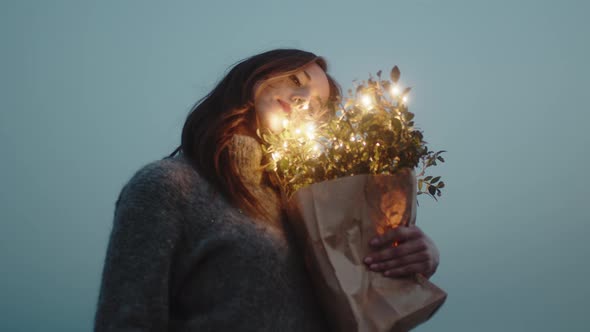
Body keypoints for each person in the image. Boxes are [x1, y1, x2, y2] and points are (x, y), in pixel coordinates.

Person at [93, 48, 440, 331]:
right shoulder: (167, 187)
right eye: (295, 80)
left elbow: (360, 316)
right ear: (254, 77)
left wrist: (410, 263)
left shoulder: (312, 212)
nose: (304, 99)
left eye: (317, 107)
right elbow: (127, 321)